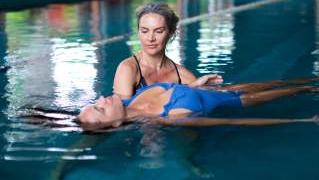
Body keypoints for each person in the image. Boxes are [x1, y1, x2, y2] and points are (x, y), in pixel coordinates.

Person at [78, 78, 319, 130]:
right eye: (100, 108)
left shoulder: (130, 98)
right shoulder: (168, 118)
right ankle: (309, 88)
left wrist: (196, 84)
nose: (101, 100)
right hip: (240, 102)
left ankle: (310, 80)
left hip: (219, 89)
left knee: (285, 81)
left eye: (95, 102)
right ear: (115, 123)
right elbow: (230, 122)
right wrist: (300, 120)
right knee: (295, 91)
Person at [113, 2, 223, 99]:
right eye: (145, 31)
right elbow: (122, 112)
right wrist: (191, 87)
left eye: (159, 31)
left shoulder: (182, 75)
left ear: (170, 33)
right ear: (138, 32)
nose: (151, 38)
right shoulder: (128, 69)